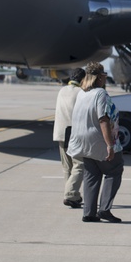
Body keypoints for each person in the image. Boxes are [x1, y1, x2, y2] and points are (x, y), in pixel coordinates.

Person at [67, 61, 124, 223]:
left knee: (92, 175)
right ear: (99, 77)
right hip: (98, 141)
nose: (105, 79)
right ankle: (104, 209)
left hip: (82, 141)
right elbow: (103, 119)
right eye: (104, 76)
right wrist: (109, 145)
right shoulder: (100, 94)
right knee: (114, 171)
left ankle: (89, 213)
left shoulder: (82, 93)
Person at [53, 68, 85, 209]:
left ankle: (73, 195)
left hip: (61, 133)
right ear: (83, 80)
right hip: (74, 133)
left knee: (67, 167)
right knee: (79, 165)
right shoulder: (81, 93)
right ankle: (70, 194)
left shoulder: (62, 90)